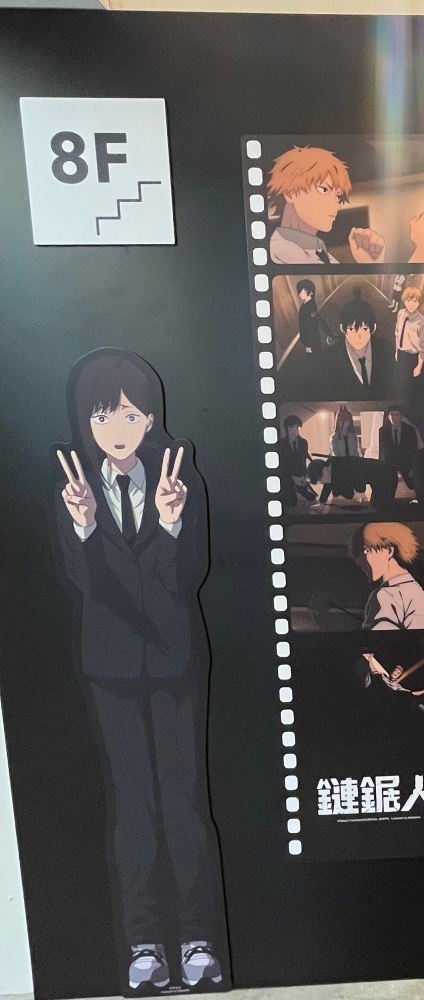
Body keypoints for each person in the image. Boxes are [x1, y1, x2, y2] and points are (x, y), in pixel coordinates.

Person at [51, 350, 225, 991]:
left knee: (183, 804)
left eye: (128, 414)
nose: (115, 429)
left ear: (149, 418)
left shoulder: (178, 480)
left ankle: (198, 940)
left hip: (175, 663)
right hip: (110, 667)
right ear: (86, 422)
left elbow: (190, 576)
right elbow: (83, 585)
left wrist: (172, 521)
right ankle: (144, 946)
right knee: (131, 808)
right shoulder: (74, 488)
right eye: (101, 416)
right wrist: (84, 527)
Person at [266, 145, 424, 265]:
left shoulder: (317, 250)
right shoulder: (283, 251)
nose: (335, 205)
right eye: (324, 190)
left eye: (337, 196)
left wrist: (369, 264)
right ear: (290, 193)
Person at [348, 522, 424, 630]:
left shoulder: (386, 595)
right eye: (358, 555)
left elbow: (379, 639)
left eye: (365, 550)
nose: (359, 561)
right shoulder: (418, 593)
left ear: (388, 551)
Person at [327, 289, 395, 398]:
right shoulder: (329, 358)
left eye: (364, 329)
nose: (358, 336)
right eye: (352, 329)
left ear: (373, 328)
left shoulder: (386, 350)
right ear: (342, 328)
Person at [315, 406, 360, 505]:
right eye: (341, 421)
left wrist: (358, 463)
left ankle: (341, 488)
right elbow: (337, 453)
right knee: (330, 475)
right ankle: (322, 501)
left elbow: (356, 452)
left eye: (346, 420)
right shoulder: (334, 437)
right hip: (338, 464)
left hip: (351, 465)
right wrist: (342, 433)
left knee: (349, 495)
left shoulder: (353, 436)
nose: (344, 423)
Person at [277, 413, 315, 508]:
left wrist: (303, 476)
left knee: (311, 498)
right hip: (287, 476)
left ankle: (301, 488)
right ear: (286, 429)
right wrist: (293, 477)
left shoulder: (303, 442)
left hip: (299, 474)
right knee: (291, 503)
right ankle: (294, 488)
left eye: (297, 428)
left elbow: (303, 461)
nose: (294, 431)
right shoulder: (281, 443)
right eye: (291, 428)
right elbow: (282, 465)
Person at [394, 284, 424, 380]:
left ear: (419, 303)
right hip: (400, 352)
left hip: (412, 357)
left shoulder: (423, 324)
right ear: (404, 301)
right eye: (408, 300)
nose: (411, 304)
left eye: (415, 301)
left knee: (409, 381)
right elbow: (397, 332)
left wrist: (419, 366)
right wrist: (397, 350)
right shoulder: (400, 314)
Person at [379, 406, 419, 490]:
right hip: (390, 464)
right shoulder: (383, 430)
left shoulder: (409, 430)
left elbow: (414, 450)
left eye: (396, 415)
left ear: (401, 416)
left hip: (406, 464)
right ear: (388, 417)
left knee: (413, 485)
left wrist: (413, 467)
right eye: (392, 415)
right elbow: (382, 450)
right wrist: (382, 467)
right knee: (388, 488)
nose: (394, 418)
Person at [295, 279, 332, 355]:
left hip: (312, 342)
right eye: (300, 291)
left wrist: (309, 345)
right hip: (311, 341)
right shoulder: (306, 305)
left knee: (315, 358)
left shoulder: (309, 307)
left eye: (304, 291)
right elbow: (318, 320)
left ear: (311, 292)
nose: (300, 294)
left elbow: (310, 327)